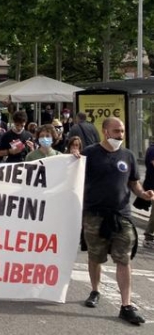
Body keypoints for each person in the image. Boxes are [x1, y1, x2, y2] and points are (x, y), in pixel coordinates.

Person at [81, 117, 153, 325]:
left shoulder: (128, 155)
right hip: (94, 215)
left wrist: (143, 194)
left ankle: (126, 305)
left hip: (122, 216)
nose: (120, 135)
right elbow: (73, 175)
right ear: (105, 131)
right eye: (116, 131)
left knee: (124, 259)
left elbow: (134, 183)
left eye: (122, 131)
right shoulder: (90, 154)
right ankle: (95, 290)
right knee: (95, 256)